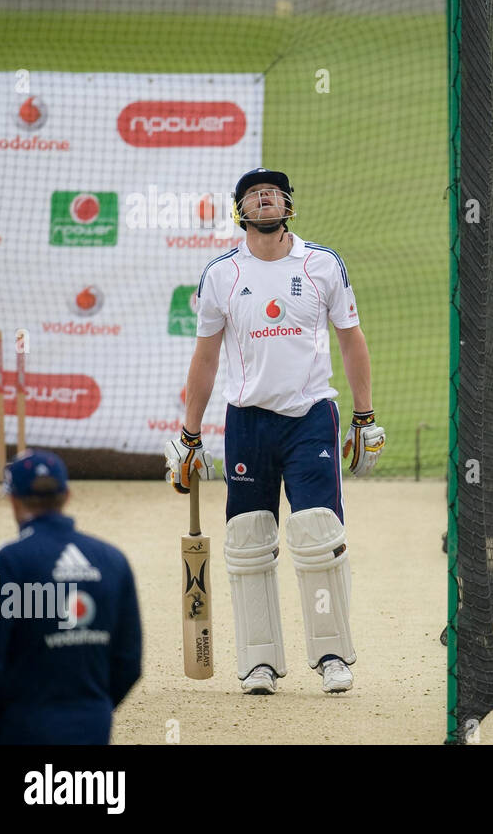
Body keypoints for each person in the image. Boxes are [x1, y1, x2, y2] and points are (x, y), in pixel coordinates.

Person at [165, 167, 386, 695]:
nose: (264, 199)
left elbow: (352, 340)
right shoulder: (221, 274)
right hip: (247, 422)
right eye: (253, 195)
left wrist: (365, 416)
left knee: (317, 535)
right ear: (241, 211)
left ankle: (332, 655)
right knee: (247, 543)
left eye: (273, 193)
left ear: (289, 205)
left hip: (310, 417)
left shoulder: (321, 264)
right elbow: (206, 357)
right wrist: (189, 435)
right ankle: (258, 661)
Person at [0, 450, 142, 744]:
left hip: (18, 730)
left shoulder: (6, 561)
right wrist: (91, 711)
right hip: (91, 727)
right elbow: (128, 662)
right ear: (67, 495)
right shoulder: (113, 560)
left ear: (13, 499)